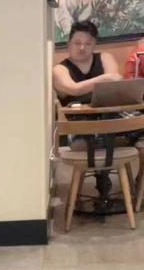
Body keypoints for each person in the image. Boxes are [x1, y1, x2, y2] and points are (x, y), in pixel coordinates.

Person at [53, 20, 123, 198]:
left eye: (88, 43)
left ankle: (138, 189)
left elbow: (116, 81)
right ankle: (103, 179)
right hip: (81, 130)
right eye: (77, 43)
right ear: (69, 43)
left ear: (94, 44)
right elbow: (73, 89)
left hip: (113, 122)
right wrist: (105, 79)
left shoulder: (105, 57)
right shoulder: (59, 69)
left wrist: (109, 79)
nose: (82, 47)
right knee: (94, 141)